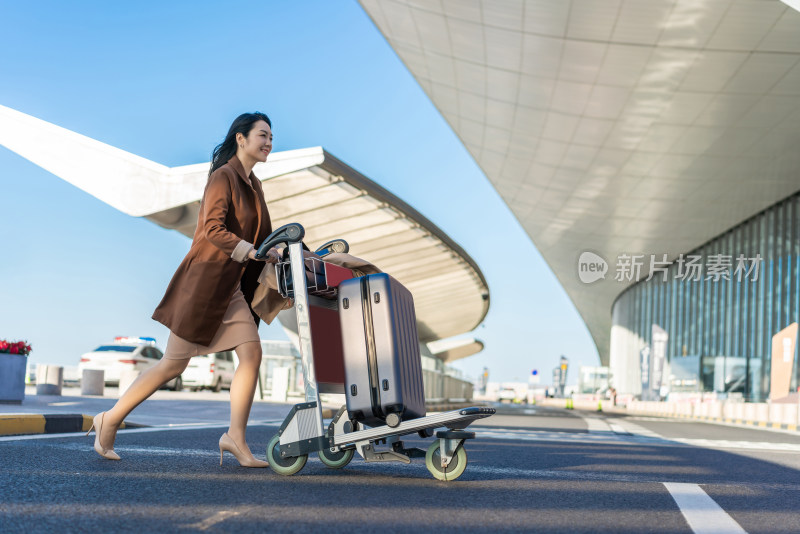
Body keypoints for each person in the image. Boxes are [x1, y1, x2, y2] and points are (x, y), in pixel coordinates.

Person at [87, 112, 283, 467]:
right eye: (263, 135)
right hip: (206, 285)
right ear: (241, 139)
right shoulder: (224, 177)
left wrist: (278, 250)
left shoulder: (254, 186)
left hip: (231, 288)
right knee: (171, 366)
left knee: (251, 354)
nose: (269, 143)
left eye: (271, 137)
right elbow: (212, 228)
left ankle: (235, 438)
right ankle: (110, 419)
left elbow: (264, 237)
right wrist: (250, 251)